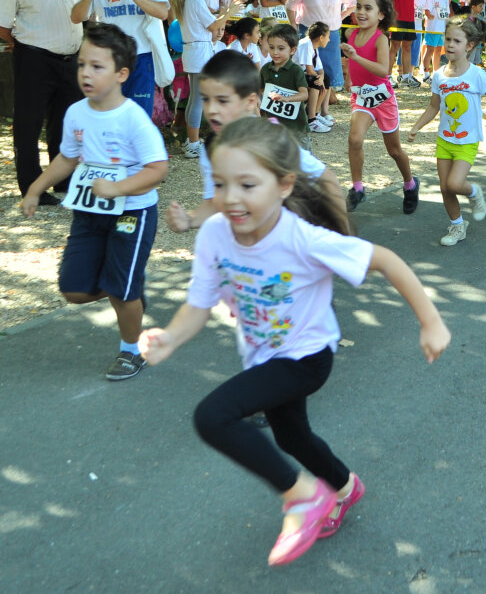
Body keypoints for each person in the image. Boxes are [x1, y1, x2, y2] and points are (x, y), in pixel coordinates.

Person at [139, 116, 449, 567]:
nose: (232, 199)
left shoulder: (300, 238)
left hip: (307, 355)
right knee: (292, 436)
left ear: (284, 185)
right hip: (263, 354)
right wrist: (170, 336)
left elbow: (384, 259)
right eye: (221, 184)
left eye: (248, 185)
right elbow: (198, 305)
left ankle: (304, 497)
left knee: (214, 415)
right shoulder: (214, 235)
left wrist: (431, 321)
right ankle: (343, 487)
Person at [19, 23, 169, 380]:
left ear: (121, 74)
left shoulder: (133, 118)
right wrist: (36, 188)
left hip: (133, 212)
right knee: (73, 289)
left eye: (97, 66)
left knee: (121, 288)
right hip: (89, 213)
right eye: (82, 64)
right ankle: (128, 284)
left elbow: (158, 169)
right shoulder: (76, 112)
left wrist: (118, 189)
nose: (86, 73)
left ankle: (132, 351)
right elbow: (67, 158)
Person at [165, 50, 347, 235]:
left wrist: (342, 234)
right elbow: (214, 202)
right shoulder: (212, 147)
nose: (212, 110)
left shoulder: (271, 139)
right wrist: (189, 220)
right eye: (206, 100)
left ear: (251, 101)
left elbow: (326, 178)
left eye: (223, 101)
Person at [0, 0, 86, 203]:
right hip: (34, 58)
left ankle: (63, 180)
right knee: (28, 124)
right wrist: (21, 43)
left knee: (65, 123)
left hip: (69, 59)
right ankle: (32, 186)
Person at [408, 16, 486, 246]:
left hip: (467, 141)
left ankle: (473, 193)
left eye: (457, 41)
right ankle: (457, 226)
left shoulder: (477, 75)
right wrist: (416, 126)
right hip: (444, 139)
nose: (450, 45)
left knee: (454, 184)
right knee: (445, 188)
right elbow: (434, 106)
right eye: (448, 39)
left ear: (469, 45)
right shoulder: (439, 75)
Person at [340, 0, 418, 214]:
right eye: (359, 7)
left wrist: (354, 56)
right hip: (362, 98)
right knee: (354, 139)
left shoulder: (380, 39)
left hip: (383, 99)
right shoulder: (350, 34)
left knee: (394, 151)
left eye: (368, 8)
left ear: (381, 15)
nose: (361, 12)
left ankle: (410, 185)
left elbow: (383, 71)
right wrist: (348, 73)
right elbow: (352, 64)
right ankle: (357, 188)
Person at [85, 0, 171, 117]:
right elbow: (78, 17)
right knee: (108, 117)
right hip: (108, 60)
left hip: (141, 59)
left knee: (139, 119)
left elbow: (163, 12)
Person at [172, 0, 244, 157]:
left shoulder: (187, 0)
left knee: (194, 98)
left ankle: (191, 140)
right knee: (197, 100)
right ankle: (193, 143)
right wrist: (228, 14)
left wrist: (222, 15)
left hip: (193, 51)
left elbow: (209, 23)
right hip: (199, 52)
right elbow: (213, 27)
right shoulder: (195, 1)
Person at [287, 0, 355, 110]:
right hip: (308, 33)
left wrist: (343, 14)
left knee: (328, 73)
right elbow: (290, 6)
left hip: (331, 34)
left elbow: (355, 1)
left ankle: (323, 111)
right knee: (309, 71)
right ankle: (311, 110)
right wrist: (293, 26)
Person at [260, 24, 310, 146]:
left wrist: (287, 99)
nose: (275, 52)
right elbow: (261, 89)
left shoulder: (295, 70)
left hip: (296, 128)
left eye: (281, 48)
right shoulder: (266, 69)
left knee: (300, 161)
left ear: (292, 50)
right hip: (273, 127)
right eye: (271, 47)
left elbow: (304, 94)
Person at [383, 0, 421, 88]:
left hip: (410, 17)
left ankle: (406, 76)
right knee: (394, 46)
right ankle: (387, 77)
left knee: (407, 46)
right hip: (396, 16)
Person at [422, 0, 450, 75]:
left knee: (438, 50)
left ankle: (436, 72)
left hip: (442, 29)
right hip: (433, 28)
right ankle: (425, 73)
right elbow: (427, 9)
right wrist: (429, 15)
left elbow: (446, 14)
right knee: (430, 49)